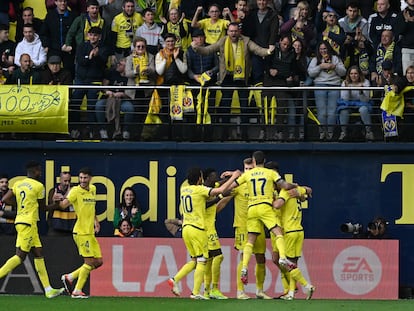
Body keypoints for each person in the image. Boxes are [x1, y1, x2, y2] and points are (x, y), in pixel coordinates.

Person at [221, 150, 298, 286]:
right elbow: (285, 186)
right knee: (278, 232)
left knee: (250, 240)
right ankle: (283, 258)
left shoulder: (248, 175)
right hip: (265, 206)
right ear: (264, 160)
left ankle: (244, 267)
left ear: (254, 161)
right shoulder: (271, 173)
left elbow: (230, 187)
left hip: (251, 209)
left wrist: (223, 191)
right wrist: (294, 186)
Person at [191, 22, 275, 140]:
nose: (233, 33)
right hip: (227, 78)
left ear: (239, 32)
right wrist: (196, 48)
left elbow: (258, 50)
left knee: (244, 107)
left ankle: (245, 135)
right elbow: (208, 50)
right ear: (228, 32)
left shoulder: (246, 41)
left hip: (242, 78)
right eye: (231, 31)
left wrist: (268, 51)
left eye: (235, 31)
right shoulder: (223, 41)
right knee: (226, 107)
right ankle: (225, 134)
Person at [167, 167, 240, 299]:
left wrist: (225, 182)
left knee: (195, 260)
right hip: (197, 228)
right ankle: (196, 292)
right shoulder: (200, 190)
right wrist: (234, 176)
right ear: (200, 179)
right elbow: (220, 190)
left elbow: (218, 187)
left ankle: (175, 279)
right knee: (202, 260)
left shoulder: (183, 190)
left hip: (186, 228)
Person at [0, 161, 65, 299]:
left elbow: (5, 199)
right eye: (39, 171)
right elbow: (43, 208)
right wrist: (56, 205)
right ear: (34, 171)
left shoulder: (18, 183)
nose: (40, 173)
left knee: (38, 253)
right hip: (28, 223)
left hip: (23, 221)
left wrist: (21, 205)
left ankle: (48, 289)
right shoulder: (39, 186)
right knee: (20, 256)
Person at [218, 157, 272, 299]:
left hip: (257, 224)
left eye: (250, 169)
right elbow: (223, 200)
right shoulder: (239, 184)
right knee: (244, 256)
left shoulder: (261, 183)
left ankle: (259, 291)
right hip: (242, 225)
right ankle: (240, 291)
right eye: (246, 169)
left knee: (261, 257)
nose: (247, 172)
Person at [59, 167, 103, 299]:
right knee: (89, 262)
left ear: (90, 178)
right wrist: (59, 199)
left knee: (99, 262)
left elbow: (92, 207)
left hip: (90, 233)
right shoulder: (75, 191)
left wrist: (96, 221)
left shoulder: (93, 189)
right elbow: (63, 205)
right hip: (81, 232)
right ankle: (77, 290)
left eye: (85, 178)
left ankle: (70, 277)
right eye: (81, 178)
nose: (82, 180)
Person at [273, 183, 315, 300]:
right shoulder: (297, 189)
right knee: (293, 263)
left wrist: (266, 202)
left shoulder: (284, 192)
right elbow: (309, 190)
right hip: (299, 231)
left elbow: (277, 205)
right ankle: (291, 293)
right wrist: (303, 193)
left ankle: (307, 285)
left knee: (286, 263)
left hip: (290, 231)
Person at [71, 26, 111, 135]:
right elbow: (80, 61)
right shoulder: (82, 46)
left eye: (95, 35)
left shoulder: (104, 48)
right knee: (75, 104)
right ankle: (74, 129)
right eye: (91, 35)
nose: (93, 37)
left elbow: (102, 64)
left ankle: (92, 130)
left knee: (91, 107)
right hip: (80, 80)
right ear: (88, 35)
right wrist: (89, 57)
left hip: (95, 81)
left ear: (99, 37)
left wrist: (96, 57)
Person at [308, 41, 346, 141]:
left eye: (325, 49)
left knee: (332, 111)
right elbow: (310, 73)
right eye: (321, 49)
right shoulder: (315, 59)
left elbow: (343, 72)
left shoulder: (335, 58)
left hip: (334, 86)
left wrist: (334, 67)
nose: (323, 51)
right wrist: (320, 66)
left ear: (328, 49)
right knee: (321, 111)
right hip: (320, 86)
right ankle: (322, 132)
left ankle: (330, 133)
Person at [263, 34, 296, 141]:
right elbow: (266, 65)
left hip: (282, 83)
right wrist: (270, 70)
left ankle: (279, 132)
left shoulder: (292, 54)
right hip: (269, 82)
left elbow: (290, 71)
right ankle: (263, 130)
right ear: (280, 41)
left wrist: (278, 72)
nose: (285, 46)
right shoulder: (273, 51)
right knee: (264, 106)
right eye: (284, 44)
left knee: (281, 107)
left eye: (288, 44)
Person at [202, 168, 228, 299]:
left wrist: (231, 175)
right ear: (207, 178)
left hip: (209, 228)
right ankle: (215, 289)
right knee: (219, 257)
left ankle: (206, 291)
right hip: (207, 229)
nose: (216, 178)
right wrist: (221, 197)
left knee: (210, 259)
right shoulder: (204, 191)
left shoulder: (214, 186)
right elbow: (205, 205)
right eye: (214, 176)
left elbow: (223, 183)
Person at [95, 58, 134, 140]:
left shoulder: (129, 77)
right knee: (99, 105)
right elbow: (103, 87)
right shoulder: (111, 73)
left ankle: (126, 132)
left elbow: (130, 94)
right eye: (118, 63)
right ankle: (103, 130)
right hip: (109, 98)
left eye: (121, 64)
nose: (118, 65)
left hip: (122, 100)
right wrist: (108, 91)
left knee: (129, 108)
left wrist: (122, 94)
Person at [243, 0, 279, 85]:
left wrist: (271, 44)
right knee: (256, 74)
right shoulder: (252, 14)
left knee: (268, 75)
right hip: (254, 49)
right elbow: (246, 31)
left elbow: (274, 31)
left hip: (268, 49)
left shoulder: (272, 15)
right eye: (259, 0)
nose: (261, 2)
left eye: (264, 0)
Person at [40, 0, 77, 77]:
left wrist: (72, 46)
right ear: (56, 2)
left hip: (68, 50)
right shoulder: (50, 16)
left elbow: (77, 34)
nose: (62, 3)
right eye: (60, 1)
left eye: (64, 1)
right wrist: (46, 45)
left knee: (69, 71)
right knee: (53, 71)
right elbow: (44, 33)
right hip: (54, 49)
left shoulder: (73, 16)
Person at [337, 65, 374, 141]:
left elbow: (365, 100)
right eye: (351, 74)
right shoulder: (345, 83)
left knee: (363, 110)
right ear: (349, 75)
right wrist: (347, 89)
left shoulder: (365, 82)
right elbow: (345, 99)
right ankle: (343, 133)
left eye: (355, 73)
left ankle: (369, 132)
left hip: (362, 103)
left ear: (359, 74)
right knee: (343, 111)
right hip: (348, 103)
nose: (353, 76)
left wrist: (361, 91)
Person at [47, 171, 76, 236]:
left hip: (71, 226)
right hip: (56, 227)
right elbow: (54, 205)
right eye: (65, 181)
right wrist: (67, 195)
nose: (67, 183)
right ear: (60, 180)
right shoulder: (53, 191)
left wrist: (63, 197)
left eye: (69, 181)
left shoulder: (74, 192)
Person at [395, 0, 414, 74]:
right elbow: (398, 31)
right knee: (408, 75)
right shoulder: (401, 14)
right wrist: (406, 21)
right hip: (407, 49)